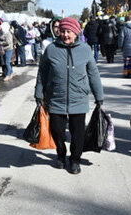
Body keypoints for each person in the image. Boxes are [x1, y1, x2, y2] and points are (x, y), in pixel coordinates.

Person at [35, 16, 104, 174]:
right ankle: (61, 155)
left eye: (69, 32)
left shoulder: (85, 49)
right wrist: (39, 92)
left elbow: (93, 74)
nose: (65, 35)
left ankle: (75, 159)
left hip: (78, 98)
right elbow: (42, 73)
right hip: (56, 98)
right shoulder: (51, 49)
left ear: (76, 32)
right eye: (63, 31)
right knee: (57, 131)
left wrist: (99, 96)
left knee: (77, 133)